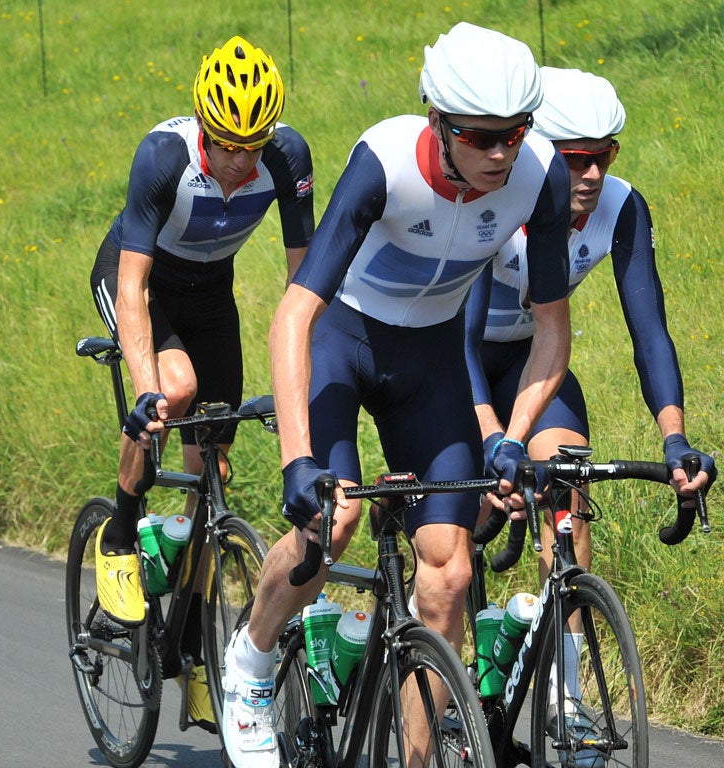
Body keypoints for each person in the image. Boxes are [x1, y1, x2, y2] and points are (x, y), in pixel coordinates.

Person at [220, 22, 574, 768]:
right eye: (482, 137)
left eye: (515, 133)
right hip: (343, 343)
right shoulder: (384, 160)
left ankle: (414, 758)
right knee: (335, 518)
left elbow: (550, 327)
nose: (501, 153)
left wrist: (511, 433)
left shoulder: (540, 175)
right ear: (439, 122)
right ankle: (249, 664)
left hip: (431, 358)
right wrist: (295, 460)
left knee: (449, 568)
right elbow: (294, 313)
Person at [465, 66, 716, 762]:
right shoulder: (498, 198)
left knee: (565, 483)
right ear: (542, 152)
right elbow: (455, 338)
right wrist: (492, 438)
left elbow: (651, 333)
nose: (591, 174)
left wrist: (676, 442)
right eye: (575, 159)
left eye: (603, 156)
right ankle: (451, 654)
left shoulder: (622, 207)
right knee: (457, 530)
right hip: (445, 360)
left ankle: (564, 694)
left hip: (529, 362)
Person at [88, 35, 314, 733]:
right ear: (202, 124)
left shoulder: (288, 159)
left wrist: (298, 380)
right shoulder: (164, 158)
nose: (241, 162)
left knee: (213, 461)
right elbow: (131, 287)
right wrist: (145, 390)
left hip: (213, 295)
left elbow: (301, 284)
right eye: (227, 144)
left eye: (254, 144)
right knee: (177, 391)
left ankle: (189, 650)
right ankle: (121, 539)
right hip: (144, 284)